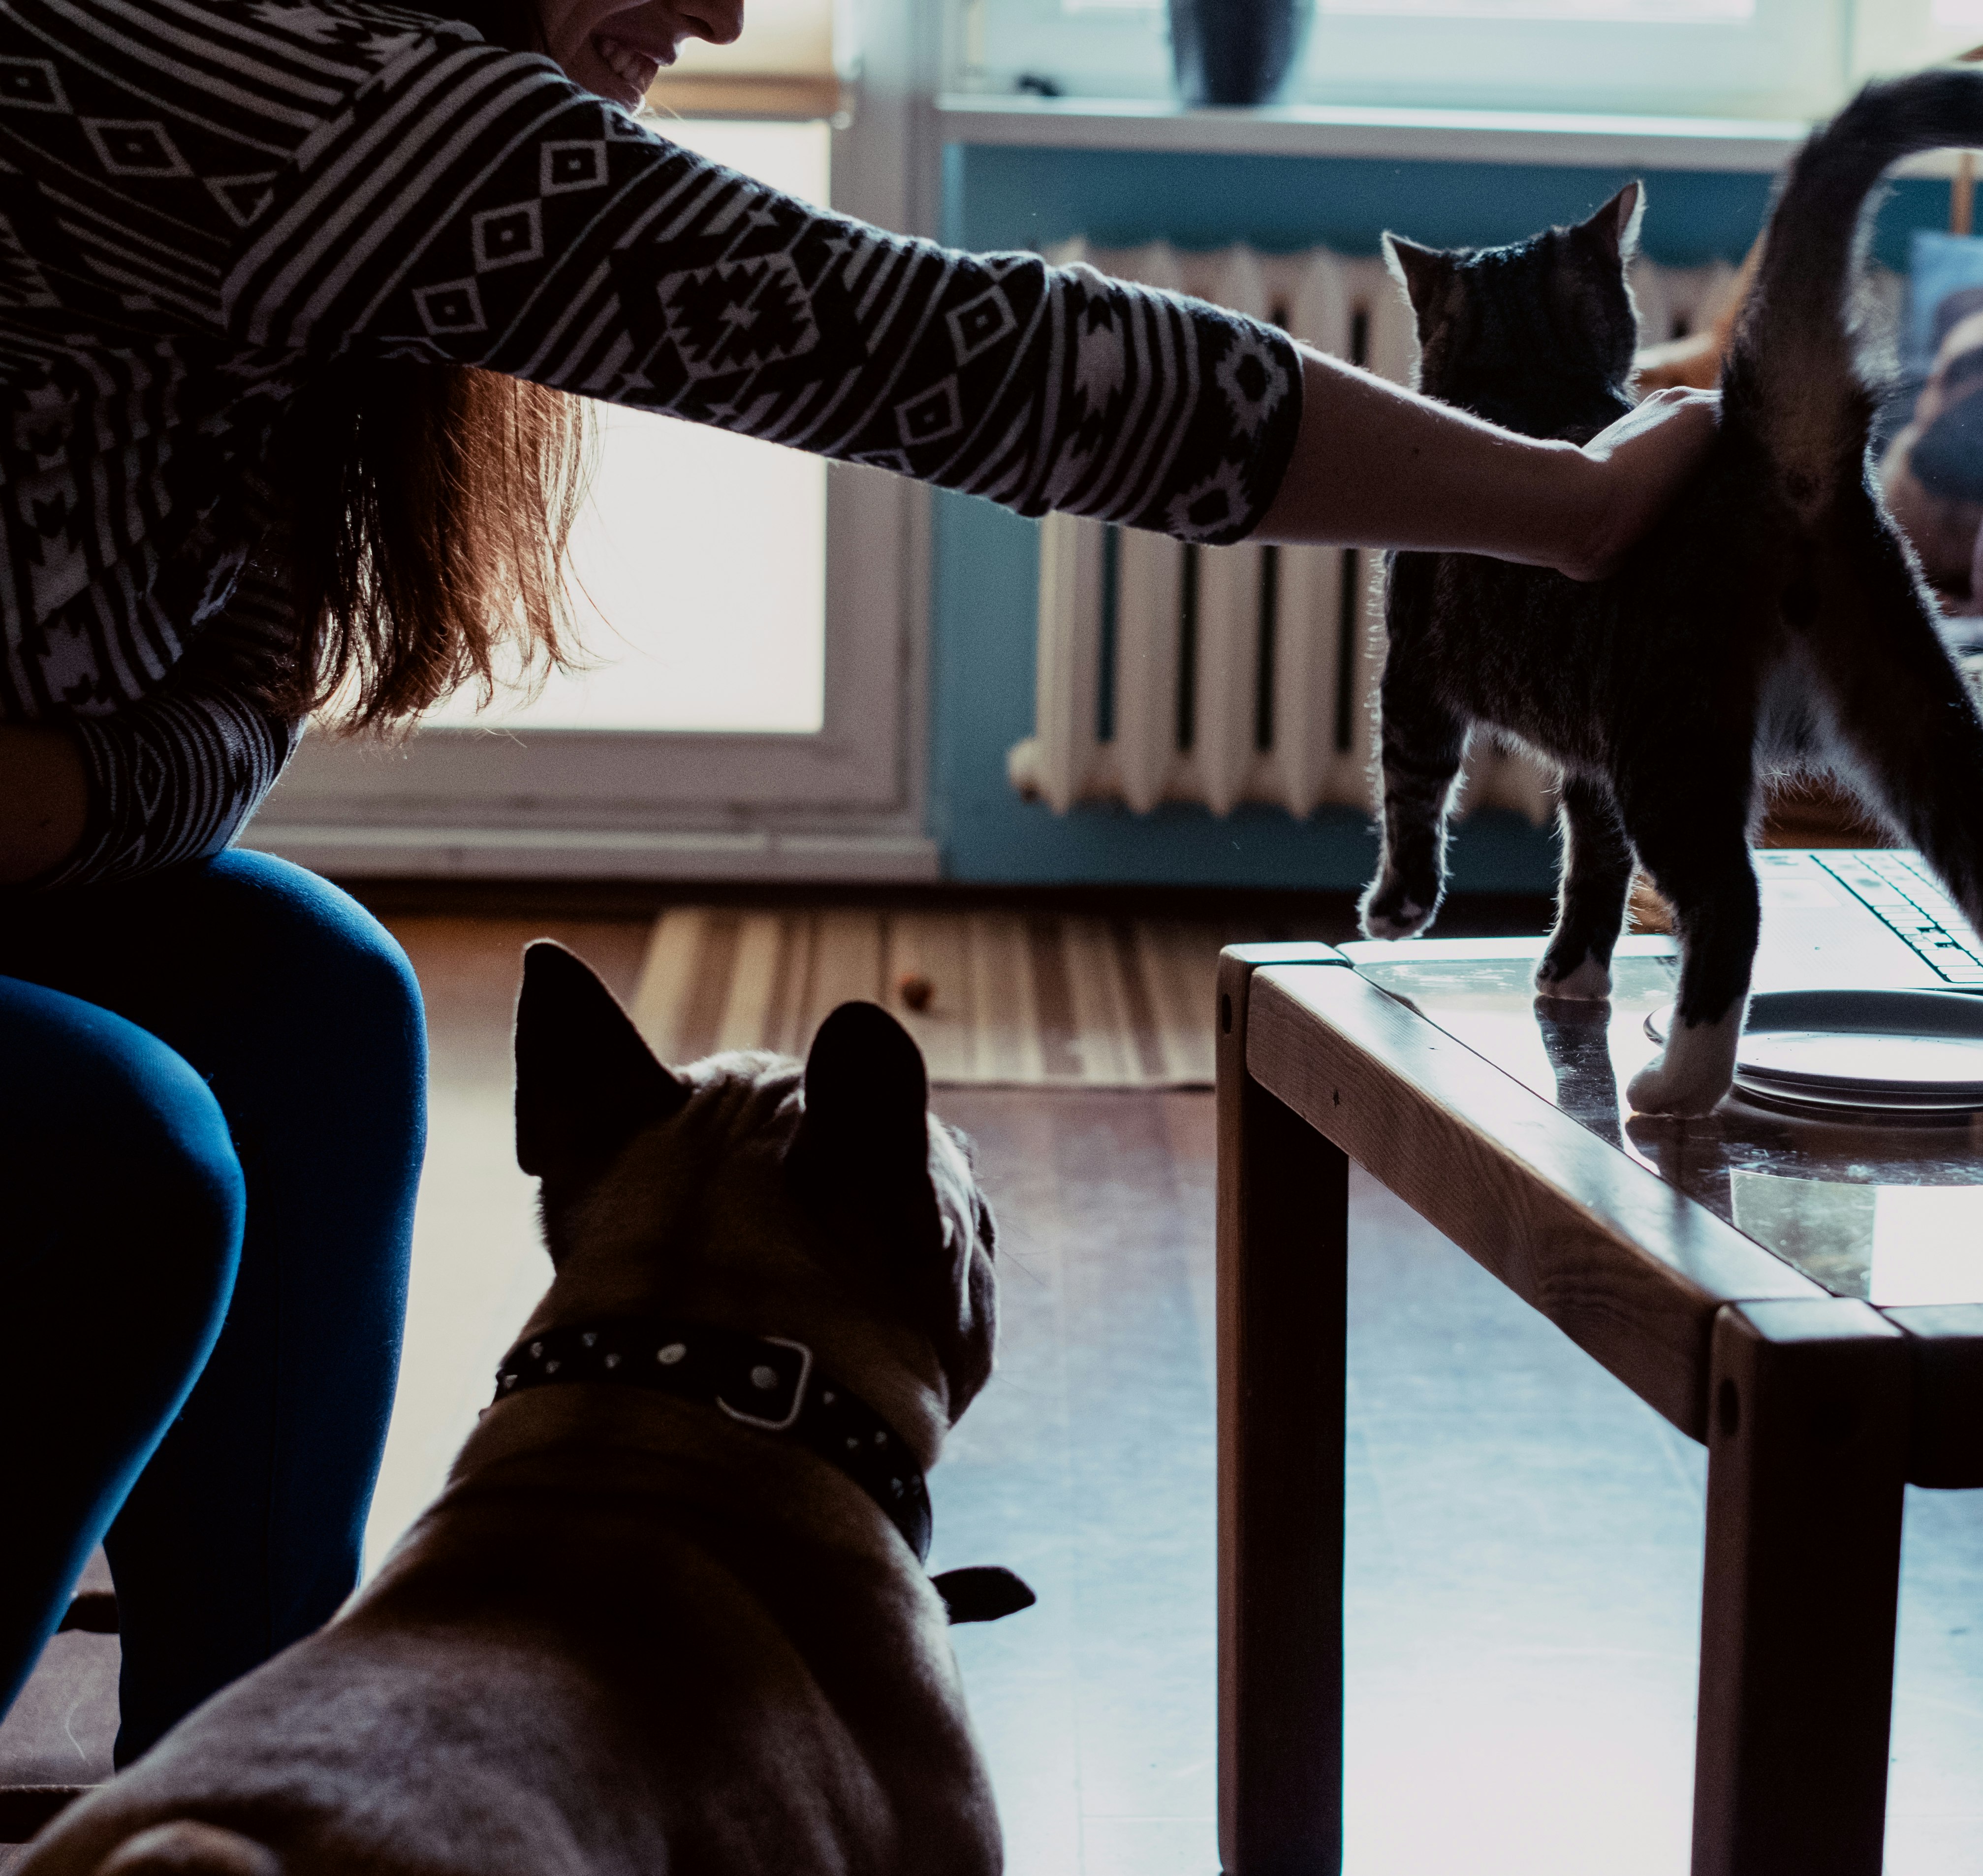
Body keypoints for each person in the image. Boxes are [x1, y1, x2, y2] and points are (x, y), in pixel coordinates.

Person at [0, 0, 1721, 1758]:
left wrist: (66, 793)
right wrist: (1565, 503)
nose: (727, 13)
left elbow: (241, 688)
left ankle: (233, 1775)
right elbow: (958, 358)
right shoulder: (251, 81)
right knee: (124, 1154)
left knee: (320, 1002)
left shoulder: (350, 195)